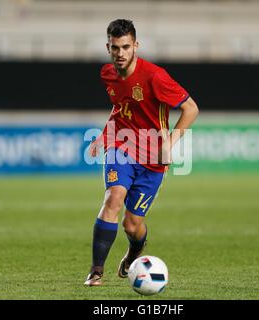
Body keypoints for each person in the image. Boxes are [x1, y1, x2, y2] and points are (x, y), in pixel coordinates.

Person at [84, 19, 199, 286]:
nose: (120, 53)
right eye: (115, 48)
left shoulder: (155, 77)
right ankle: (96, 270)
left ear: (136, 45)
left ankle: (135, 250)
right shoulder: (107, 74)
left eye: (126, 47)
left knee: (132, 224)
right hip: (120, 147)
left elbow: (191, 108)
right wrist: (105, 134)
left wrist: (169, 143)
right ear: (108, 47)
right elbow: (120, 106)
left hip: (152, 159)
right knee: (113, 198)